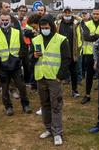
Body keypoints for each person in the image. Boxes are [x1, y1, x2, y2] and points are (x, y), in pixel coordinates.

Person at [31, 14, 70, 146]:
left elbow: (66, 59)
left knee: (56, 105)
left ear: (52, 27)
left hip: (54, 78)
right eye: (42, 28)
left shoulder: (61, 40)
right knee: (45, 105)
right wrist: (34, 56)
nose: (44, 29)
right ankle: (48, 129)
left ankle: (57, 132)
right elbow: (30, 60)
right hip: (40, 77)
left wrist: (60, 76)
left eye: (46, 27)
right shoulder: (36, 40)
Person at [0, 12, 32, 116]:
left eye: (6, 20)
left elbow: (23, 47)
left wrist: (18, 58)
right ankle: (8, 107)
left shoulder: (17, 32)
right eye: (3, 20)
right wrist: (0, 62)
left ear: (10, 21)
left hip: (16, 65)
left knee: (21, 86)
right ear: (0, 21)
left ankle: (26, 105)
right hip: (3, 66)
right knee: (4, 89)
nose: (5, 22)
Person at [0, 2, 20, 100]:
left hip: (12, 53)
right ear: (0, 8)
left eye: (9, 7)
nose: (9, 8)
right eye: (6, 7)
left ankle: (13, 90)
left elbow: (19, 35)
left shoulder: (14, 20)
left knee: (12, 72)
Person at [80, 7, 99, 104]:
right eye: (94, 14)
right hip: (89, 54)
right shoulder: (86, 24)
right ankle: (87, 95)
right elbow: (86, 37)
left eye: (98, 14)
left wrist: (94, 36)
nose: (96, 16)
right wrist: (98, 35)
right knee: (89, 76)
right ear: (92, 14)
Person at [56, 7, 82, 98]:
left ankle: (74, 90)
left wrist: (77, 52)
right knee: (58, 73)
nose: (67, 14)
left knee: (74, 72)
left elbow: (79, 38)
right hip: (60, 53)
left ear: (71, 13)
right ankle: (56, 91)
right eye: (65, 12)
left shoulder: (76, 23)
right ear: (62, 13)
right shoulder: (58, 23)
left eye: (69, 12)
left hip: (72, 53)